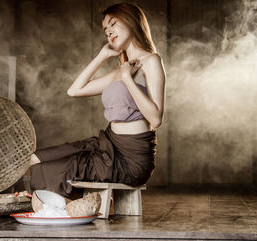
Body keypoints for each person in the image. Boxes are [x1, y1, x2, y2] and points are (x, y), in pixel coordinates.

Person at [29, 2, 166, 198]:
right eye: (105, 30)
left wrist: (128, 79)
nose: (109, 32)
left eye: (113, 23)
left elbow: (156, 119)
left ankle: (57, 210)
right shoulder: (119, 71)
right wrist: (102, 55)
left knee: (61, 167)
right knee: (41, 159)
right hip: (108, 147)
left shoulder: (151, 61)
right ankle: (52, 208)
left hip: (131, 160)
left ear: (131, 21)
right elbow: (74, 91)